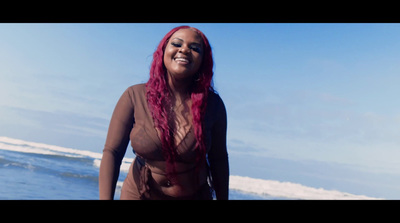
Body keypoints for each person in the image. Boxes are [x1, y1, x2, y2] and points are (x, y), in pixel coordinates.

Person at [99, 26, 229, 200]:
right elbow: (112, 152)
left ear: (203, 61)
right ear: (163, 50)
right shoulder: (135, 96)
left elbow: (219, 160)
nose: (184, 49)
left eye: (195, 48)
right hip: (140, 193)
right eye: (177, 43)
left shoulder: (213, 105)